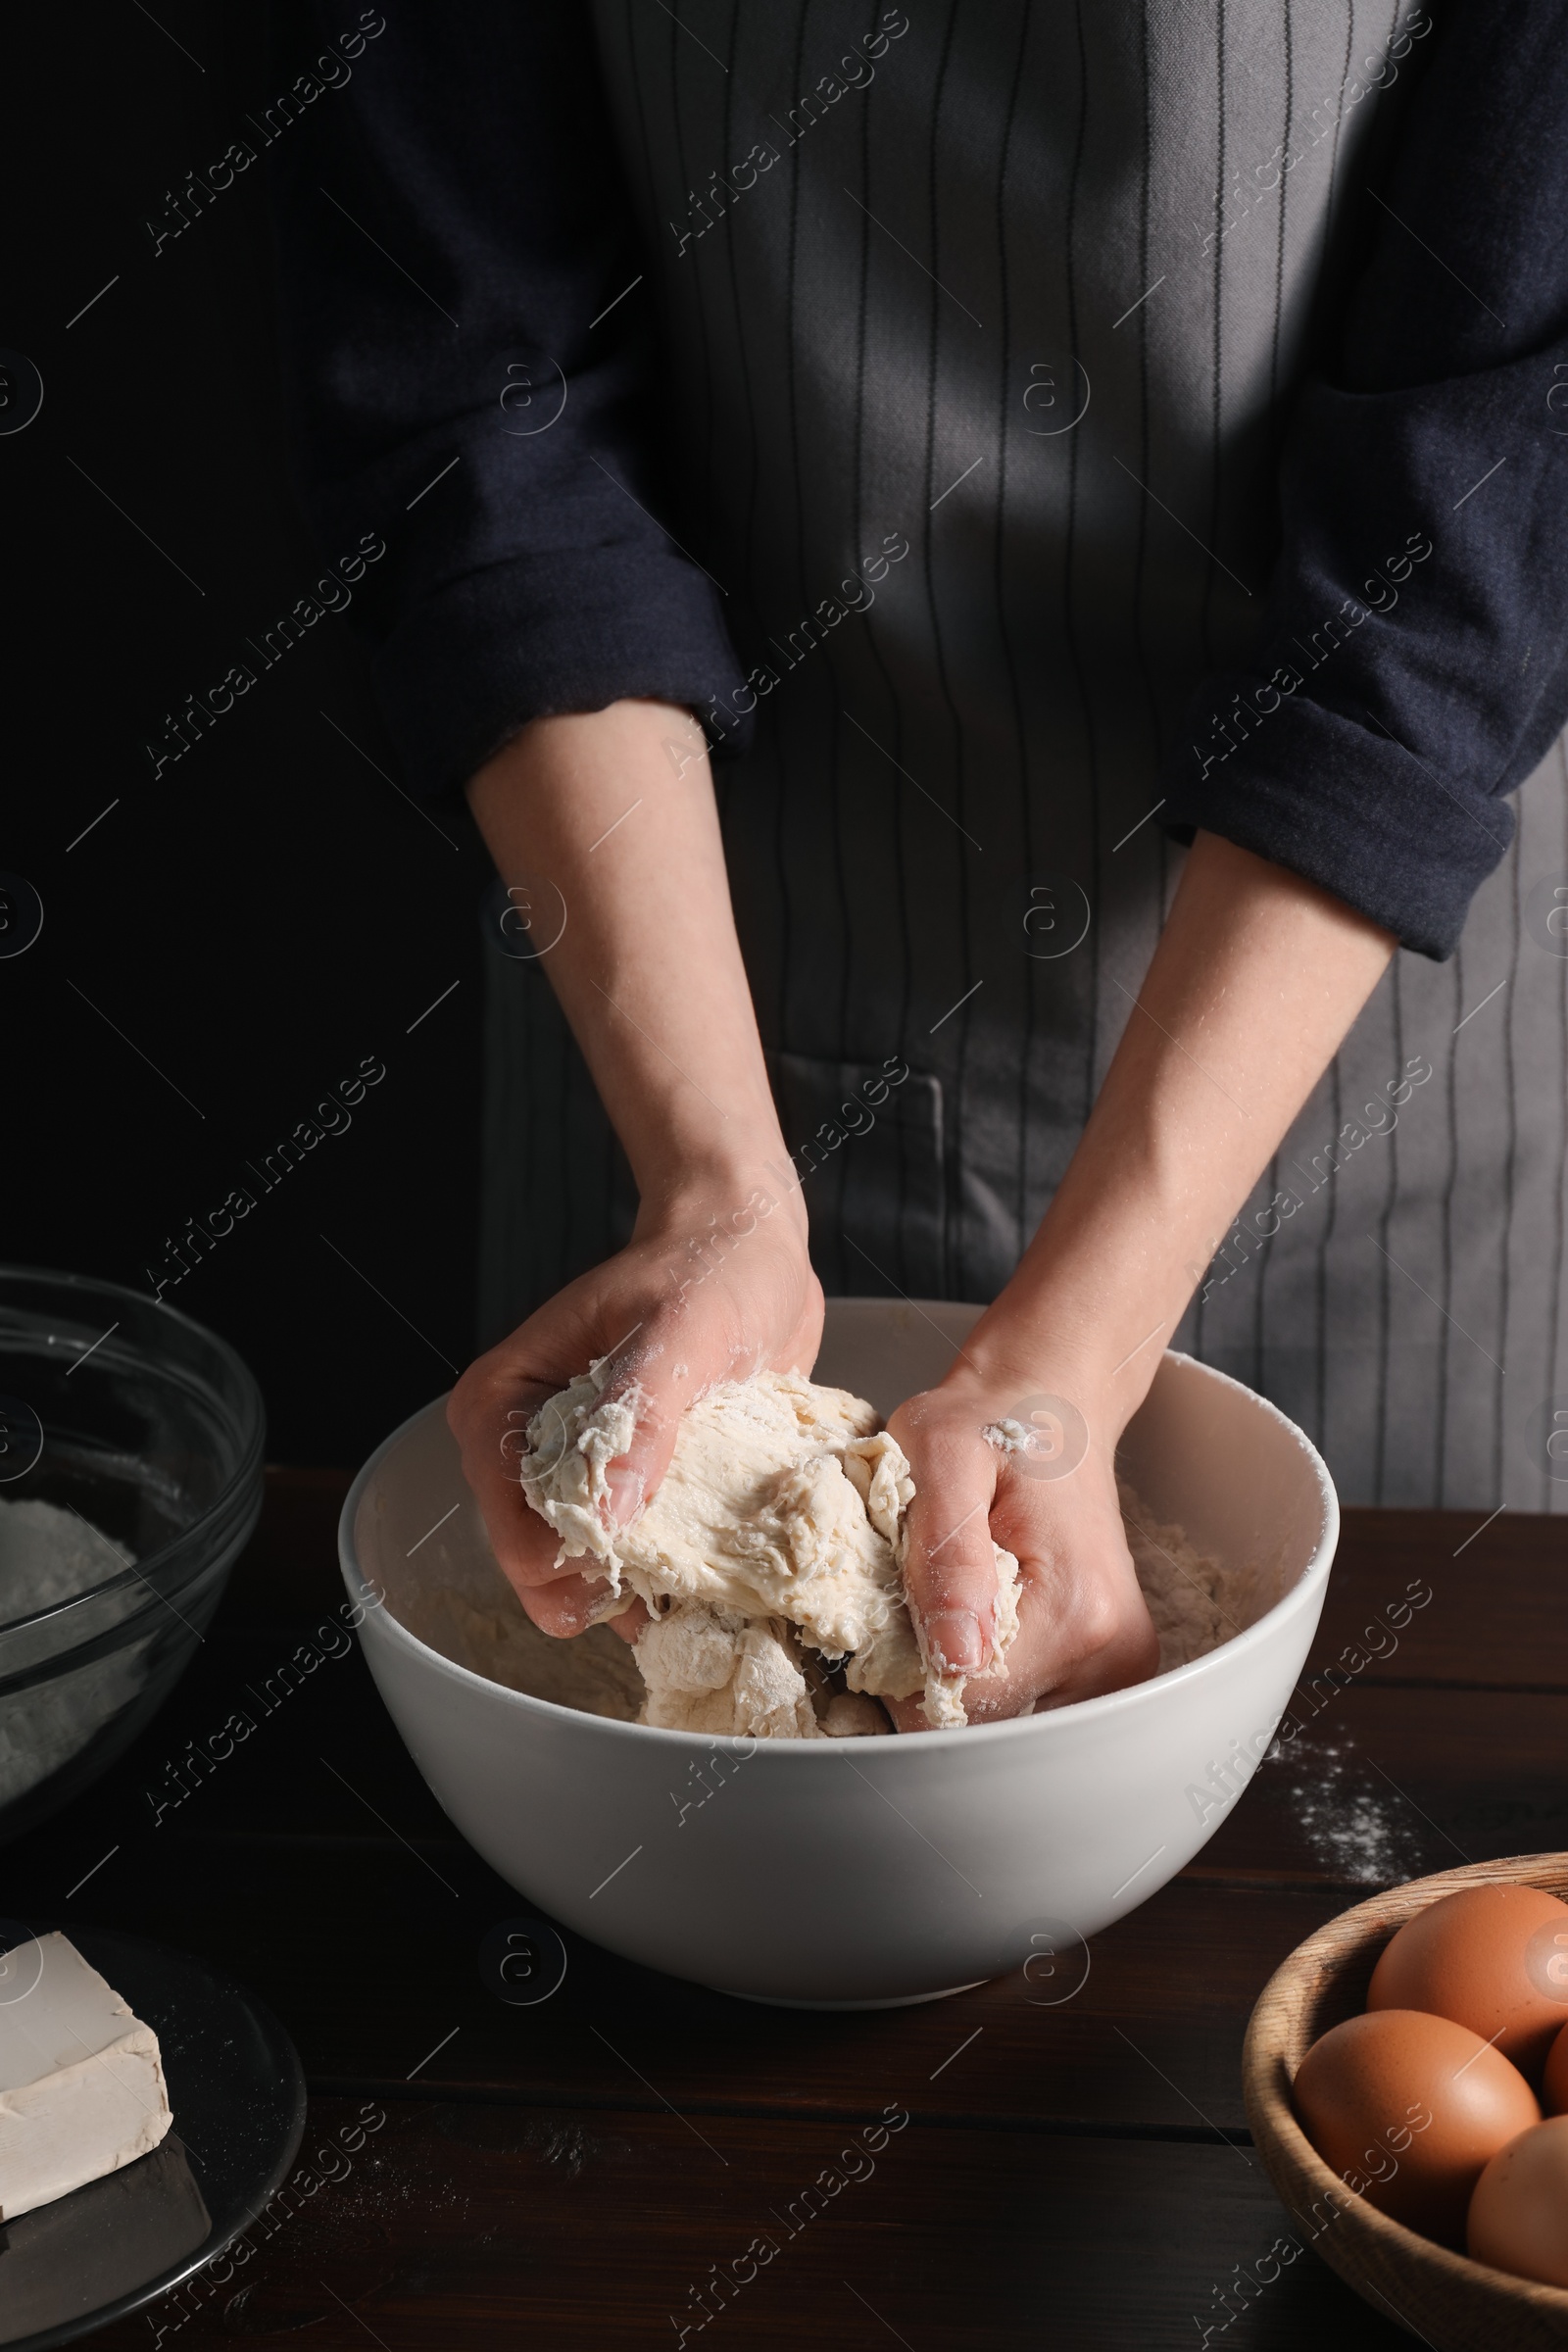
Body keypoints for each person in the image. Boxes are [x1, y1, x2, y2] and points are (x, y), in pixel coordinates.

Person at [274, 2, 1568, 1723]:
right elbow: (475, 385)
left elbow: (1487, 482)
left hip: (1354, 1058)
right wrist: (715, 1181)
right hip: (688, 940)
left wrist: (1083, 1351)